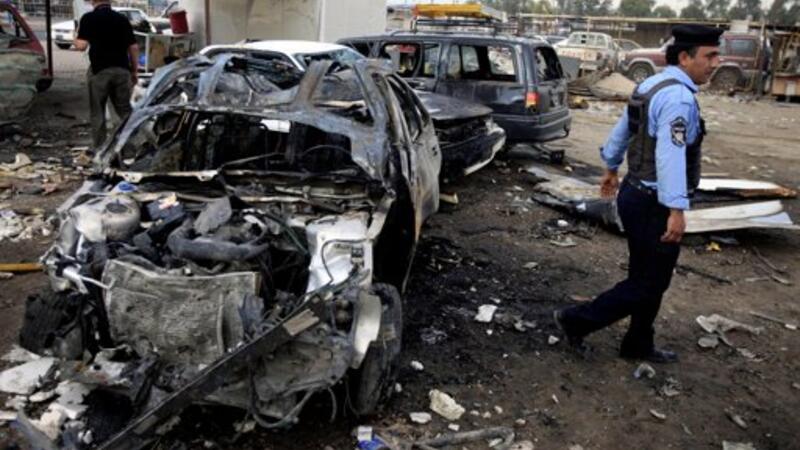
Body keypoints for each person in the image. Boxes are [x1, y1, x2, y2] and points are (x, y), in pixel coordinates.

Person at [553, 25, 722, 364]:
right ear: (685, 57)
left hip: (635, 194)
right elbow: (670, 155)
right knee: (649, 283)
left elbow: (624, 129)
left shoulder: (650, 85)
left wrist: (611, 166)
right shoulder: (678, 98)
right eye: (710, 56)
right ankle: (576, 320)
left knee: (646, 277)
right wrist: (676, 209)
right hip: (653, 205)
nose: (716, 63)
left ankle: (638, 343)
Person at [74, 0, 139, 148]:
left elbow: (81, 46)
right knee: (124, 111)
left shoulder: (88, 18)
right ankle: (130, 147)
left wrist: (75, 36)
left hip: (99, 71)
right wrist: (134, 71)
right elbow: (134, 47)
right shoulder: (122, 19)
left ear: (93, 1)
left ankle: (101, 150)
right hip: (122, 70)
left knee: (98, 112)